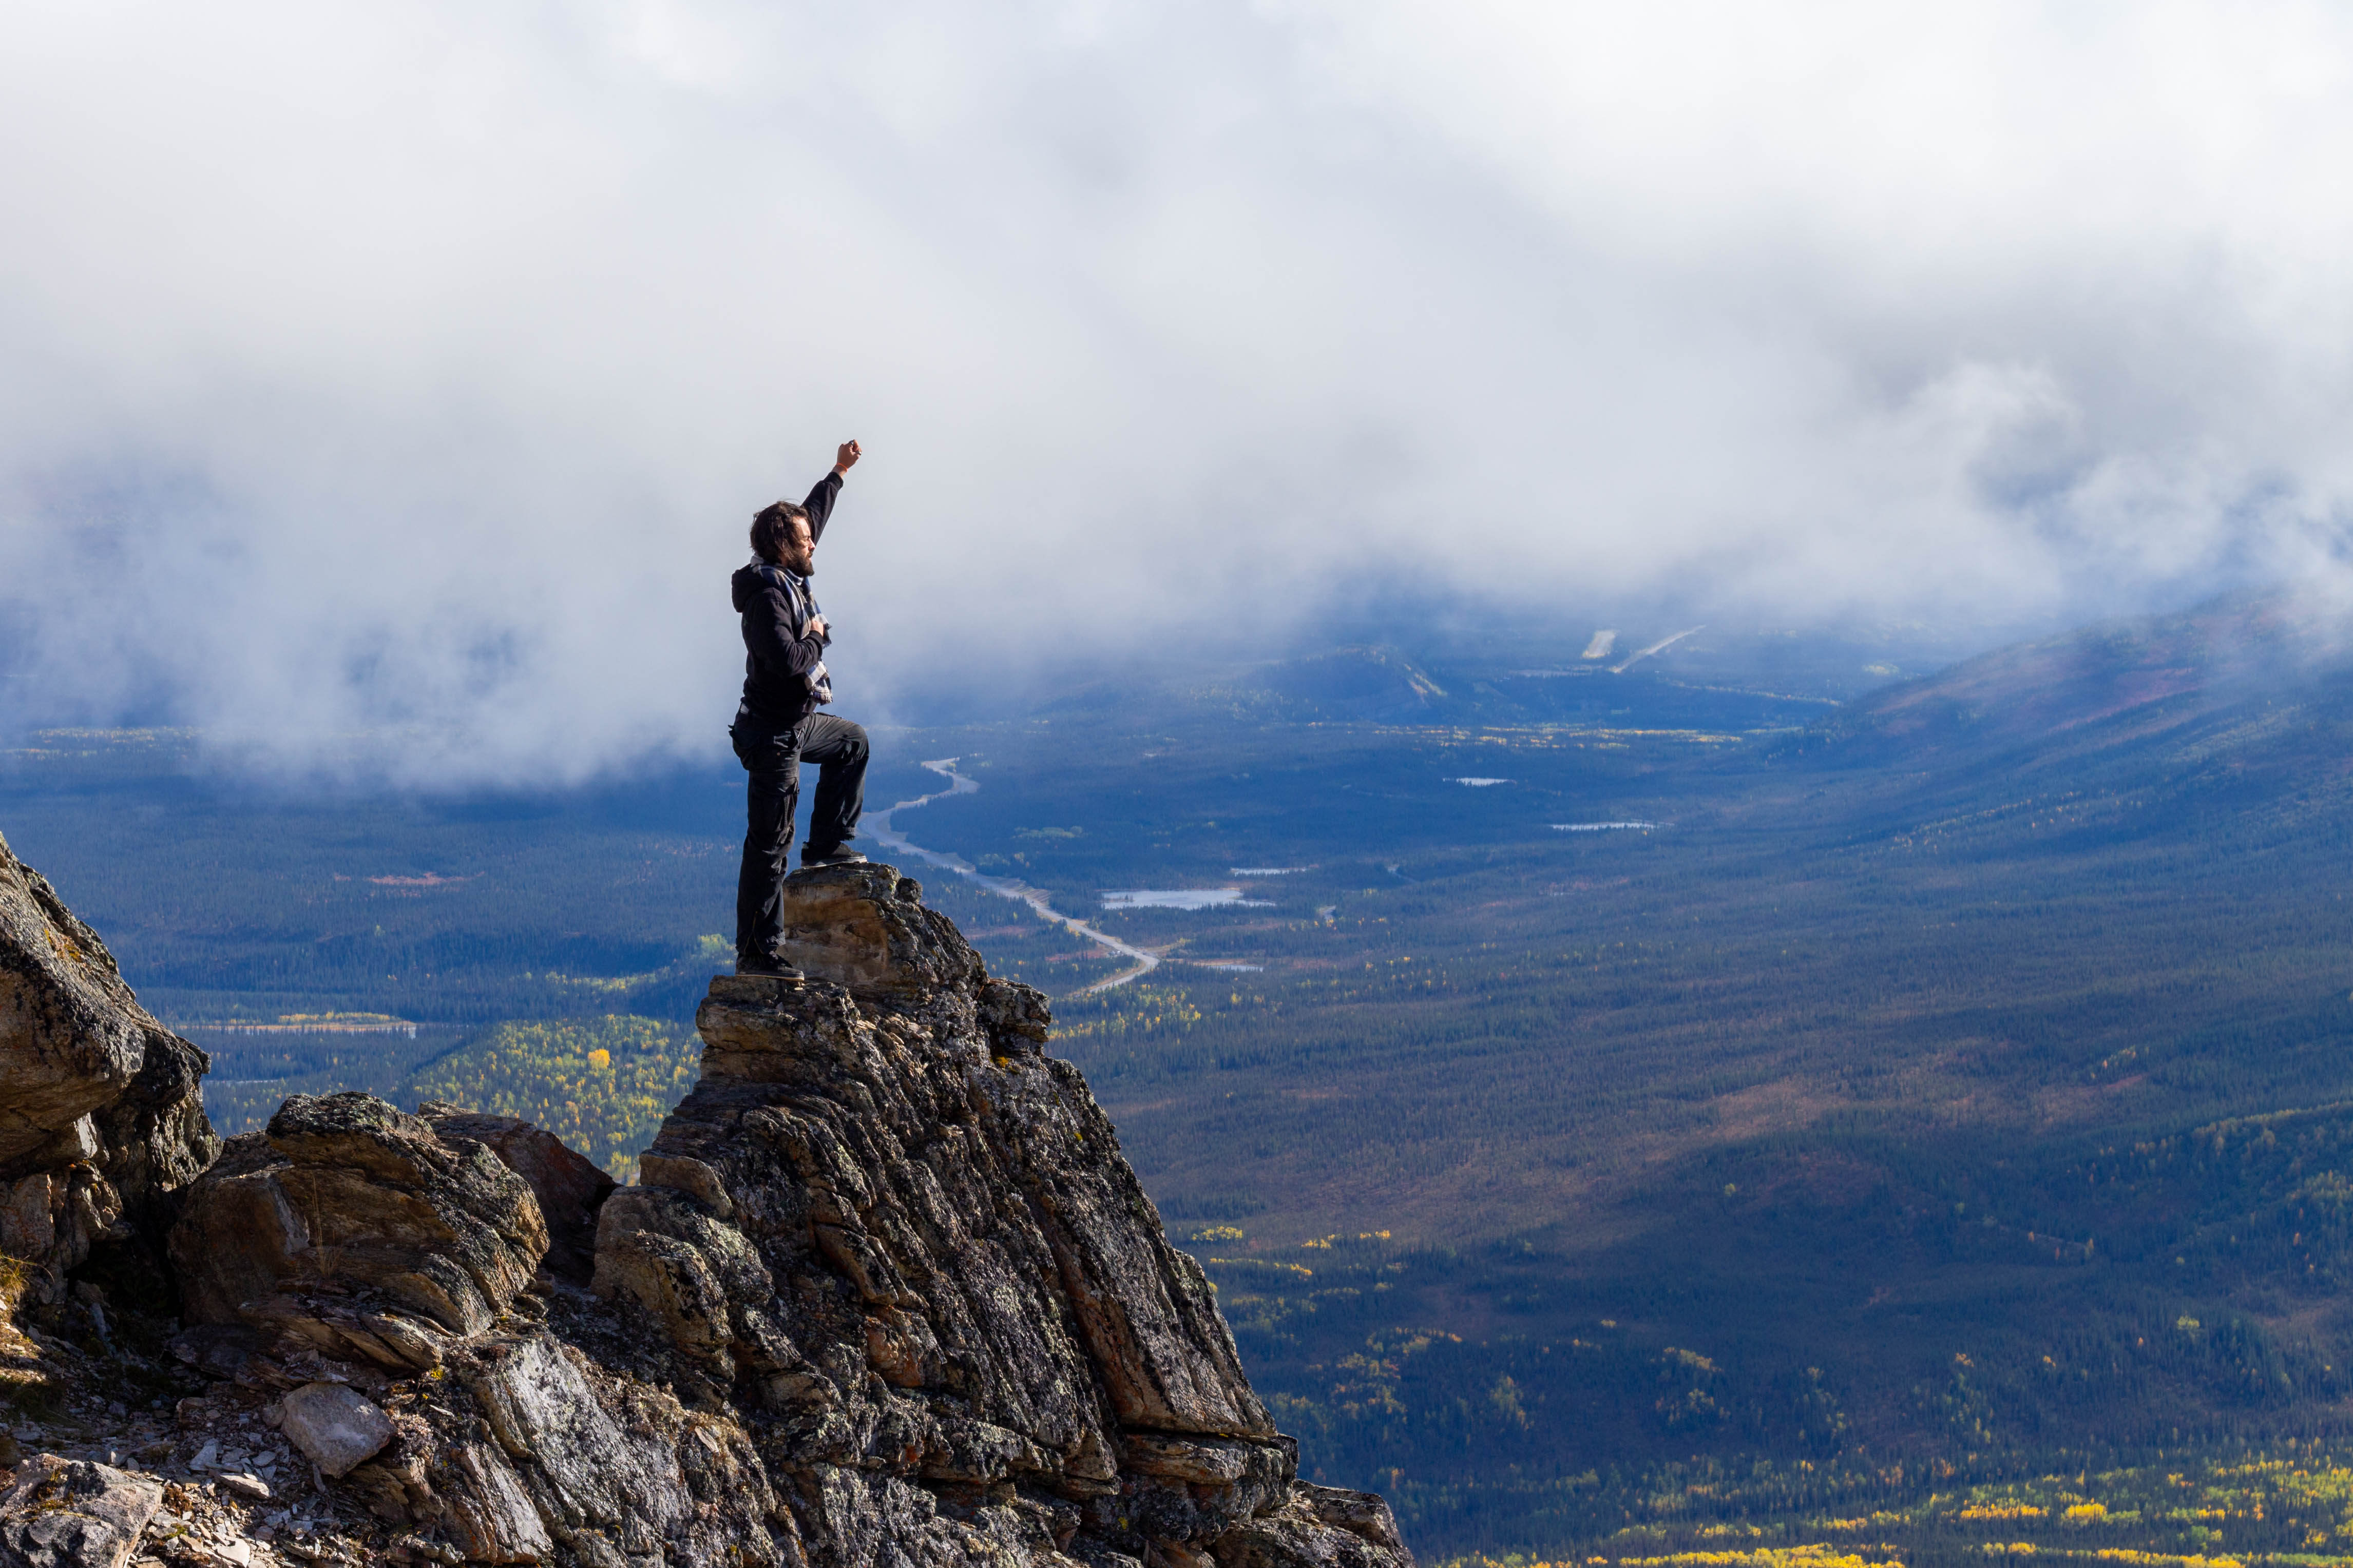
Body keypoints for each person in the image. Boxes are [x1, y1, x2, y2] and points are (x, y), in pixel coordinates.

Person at [730, 438, 870, 978]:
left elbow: (813, 515)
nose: (813, 542)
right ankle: (757, 953)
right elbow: (789, 660)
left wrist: (838, 471)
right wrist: (815, 635)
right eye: (804, 539)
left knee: (852, 743)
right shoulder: (767, 598)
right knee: (769, 846)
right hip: (771, 736)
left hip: (795, 722)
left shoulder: (785, 573)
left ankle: (828, 845)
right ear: (782, 546)